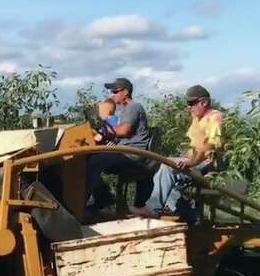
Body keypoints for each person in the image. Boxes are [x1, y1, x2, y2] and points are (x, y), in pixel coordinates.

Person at [132, 84, 223, 218]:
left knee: (167, 167)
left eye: (192, 103)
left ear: (204, 102)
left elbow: (208, 148)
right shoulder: (197, 119)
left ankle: (152, 208)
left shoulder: (214, 117)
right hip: (199, 161)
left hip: (210, 164)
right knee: (161, 165)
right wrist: (181, 159)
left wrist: (190, 163)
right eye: (188, 103)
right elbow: (193, 148)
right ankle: (190, 217)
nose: (189, 107)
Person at [85, 78, 153, 211]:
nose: (112, 94)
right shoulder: (118, 111)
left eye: (115, 91)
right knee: (83, 159)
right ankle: (103, 198)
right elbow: (107, 129)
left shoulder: (133, 107)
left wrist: (102, 132)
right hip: (120, 151)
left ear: (126, 92)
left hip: (133, 153)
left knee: (95, 161)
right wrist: (96, 131)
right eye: (112, 91)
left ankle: (85, 204)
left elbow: (123, 130)